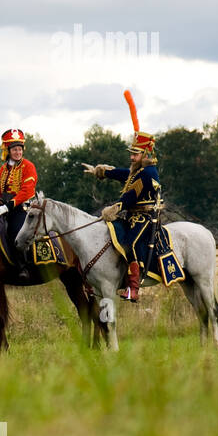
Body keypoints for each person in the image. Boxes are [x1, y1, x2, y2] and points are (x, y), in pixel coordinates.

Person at [81, 93, 162, 302]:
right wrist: (101, 171)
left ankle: (134, 289)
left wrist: (115, 208)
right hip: (132, 216)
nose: (131, 157)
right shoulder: (138, 170)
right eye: (132, 154)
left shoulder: (148, 174)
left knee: (132, 244)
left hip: (146, 217)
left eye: (135, 154)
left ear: (145, 154)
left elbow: (131, 196)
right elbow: (123, 174)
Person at [0, 128, 38, 265]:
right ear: (8, 151)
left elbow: (26, 191)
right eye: (15, 150)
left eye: (20, 149)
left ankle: (23, 266)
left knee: (16, 232)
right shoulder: (4, 168)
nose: (18, 152)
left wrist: (7, 207)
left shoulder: (28, 166)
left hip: (23, 209)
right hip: (2, 207)